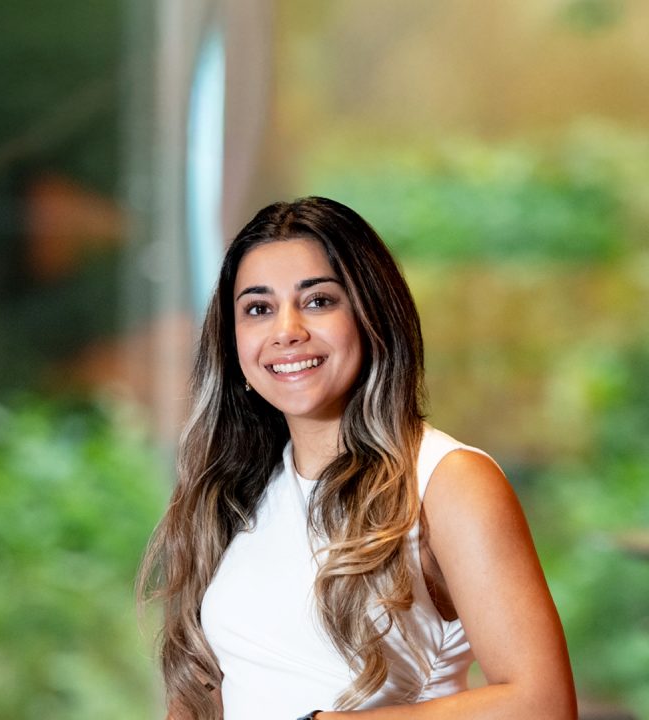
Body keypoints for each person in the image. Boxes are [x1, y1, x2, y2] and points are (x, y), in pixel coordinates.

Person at [138, 197, 576, 719]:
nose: (286, 330)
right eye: (258, 309)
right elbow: (201, 694)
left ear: (372, 315)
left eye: (318, 301)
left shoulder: (449, 480)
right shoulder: (234, 490)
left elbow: (542, 704)